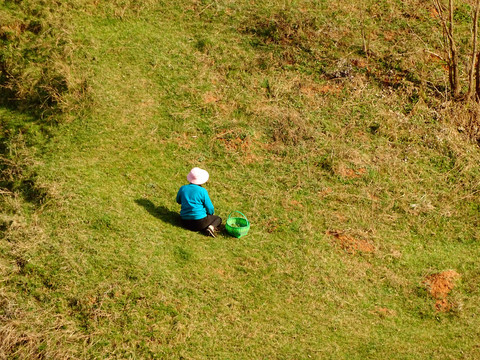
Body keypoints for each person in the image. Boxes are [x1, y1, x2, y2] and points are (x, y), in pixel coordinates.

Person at [176, 167, 222, 237]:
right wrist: (210, 214)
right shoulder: (202, 191)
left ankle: (205, 227)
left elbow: (178, 201)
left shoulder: (183, 188)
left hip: (184, 222)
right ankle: (210, 228)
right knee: (218, 219)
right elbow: (210, 208)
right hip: (199, 223)